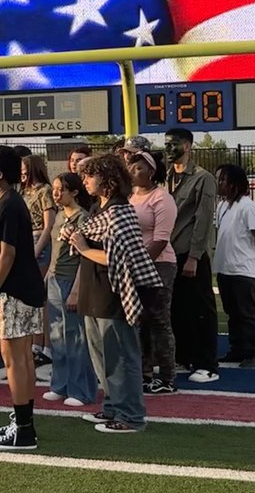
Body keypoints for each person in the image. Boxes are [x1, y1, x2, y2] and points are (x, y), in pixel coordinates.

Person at [68, 154, 162, 435]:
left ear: (107, 180)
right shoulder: (99, 209)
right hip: (95, 292)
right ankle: (112, 406)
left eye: (90, 175)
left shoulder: (121, 211)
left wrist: (84, 249)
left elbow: (119, 258)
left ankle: (130, 415)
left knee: (121, 358)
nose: (84, 180)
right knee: (102, 358)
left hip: (114, 294)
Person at [0, 146, 46, 452]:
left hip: (14, 290)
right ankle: (22, 421)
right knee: (22, 359)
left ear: (0, 174)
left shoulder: (9, 204)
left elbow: (7, 254)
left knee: (14, 359)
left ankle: (24, 430)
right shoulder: (8, 202)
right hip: (23, 288)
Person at [165, 127, 219, 384]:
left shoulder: (202, 178)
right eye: (166, 144)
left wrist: (195, 256)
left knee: (200, 309)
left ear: (187, 146)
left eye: (173, 144)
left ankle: (207, 363)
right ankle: (184, 355)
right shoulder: (165, 178)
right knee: (176, 309)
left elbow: (203, 219)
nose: (168, 149)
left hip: (190, 251)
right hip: (169, 252)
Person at [43, 173, 97, 407]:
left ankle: (81, 389)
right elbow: (56, 250)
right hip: (55, 278)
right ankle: (60, 384)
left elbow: (84, 258)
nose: (56, 193)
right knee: (57, 335)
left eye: (61, 189)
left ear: (74, 192)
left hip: (71, 279)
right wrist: (48, 275)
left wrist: (77, 288)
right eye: (54, 189)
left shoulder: (83, 218)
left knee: (75, 337)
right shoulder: (58, 217)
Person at [129, 151, 179, 394]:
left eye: (138, 168)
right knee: (140, 320)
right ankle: (145, 372)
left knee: (159, 320)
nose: (132, 172)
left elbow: (160, 239)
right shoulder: (130, 197)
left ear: (151, 171)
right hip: (136, 265)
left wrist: (139, 263)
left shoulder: (161, 198)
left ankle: (168, 377)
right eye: (131, 167)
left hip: (159, 264)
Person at [215, 164, 255, 368]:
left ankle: (253, 352)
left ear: (234, 184)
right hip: (225, 267)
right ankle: (237, 349)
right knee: (233, 312)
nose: (219, 184)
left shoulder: (247, 206)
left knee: (247, 312)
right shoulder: (222, 206)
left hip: (243, 268)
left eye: (222, 180)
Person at [22, 154, 56, 367]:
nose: (22, 172)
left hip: (38, 241)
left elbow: (48, 224)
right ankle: (35, 344)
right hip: (27, 240)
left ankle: (47, 347)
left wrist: (37, 248)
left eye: (25, 168)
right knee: (33, 299)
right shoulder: (26, 191)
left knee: (41, 298)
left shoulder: (45, 191)